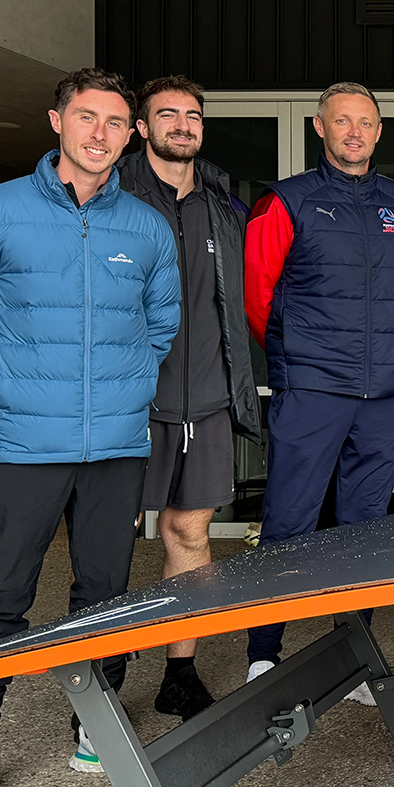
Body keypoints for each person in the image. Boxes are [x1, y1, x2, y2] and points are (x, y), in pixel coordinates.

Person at [0, 68, 179, 787]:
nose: (100, 133)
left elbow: (159, 326)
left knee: (105, 594)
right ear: (57, 121)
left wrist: (124, 392)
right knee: (2, 592)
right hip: (21, 445)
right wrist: (4, 398)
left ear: (131, 135)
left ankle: (93, 726)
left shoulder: (146, 226)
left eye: (115, 122)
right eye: (87, 117)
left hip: (116, 447)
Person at [243, 83, 394, 703]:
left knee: (365, 530)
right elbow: (259, 296)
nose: (354, 132)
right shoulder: (287, 200)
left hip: (383, 395)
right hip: (313, 390)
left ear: (379, 132)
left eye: (365, 122)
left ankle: (354, 662)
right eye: (342, 121)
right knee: (288, 521)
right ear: (319, 127)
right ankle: (263, 655)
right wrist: (298, 359)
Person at [115, 75, 262, 718]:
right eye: (167, 114)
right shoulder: (113, 195)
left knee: (190, 534)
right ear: (141, 128)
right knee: (108, 544)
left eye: (193, 115)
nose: (182, 124)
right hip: (127, 404)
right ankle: (104, 681)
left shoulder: (222, 205)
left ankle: (180, 672)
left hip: (206, 399)